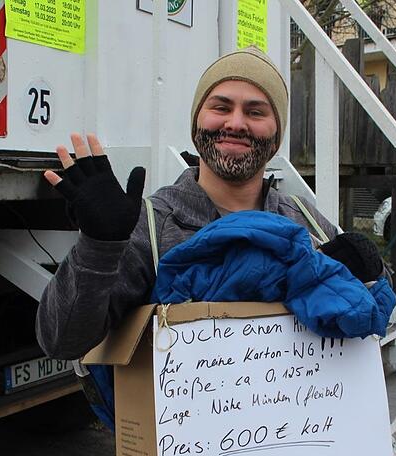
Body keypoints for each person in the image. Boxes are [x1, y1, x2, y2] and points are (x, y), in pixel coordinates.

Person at [36, 47, 347, 363]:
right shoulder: (150, 228)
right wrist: (97, 247)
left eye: (255, 112)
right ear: (196, 121)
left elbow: (367, 303)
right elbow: (62, 342)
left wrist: (370, 269)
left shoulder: (304, 219)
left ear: (276, 134)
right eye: (221, 107)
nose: (236, 123)